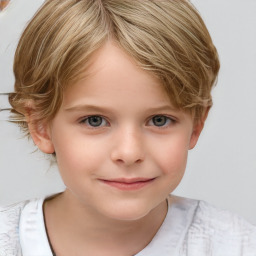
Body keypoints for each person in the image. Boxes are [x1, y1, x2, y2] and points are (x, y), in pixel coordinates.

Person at [0, 0, 255, 255]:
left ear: (197, 124)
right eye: (94, 120)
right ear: (41, 126)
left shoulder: (236, 245)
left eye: (159, 120)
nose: (130, 152)